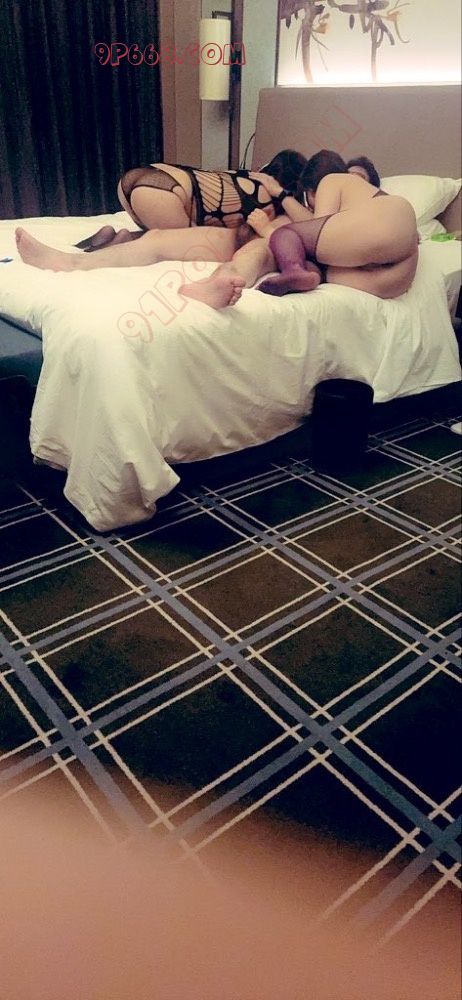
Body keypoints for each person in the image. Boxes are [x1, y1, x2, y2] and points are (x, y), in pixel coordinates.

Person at [253, 149, 419, 299]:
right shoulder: (366, 199)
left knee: (286, 234)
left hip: (387, 225)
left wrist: (269, 231)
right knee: (326, 272)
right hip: (403, 264)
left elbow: (317, 232)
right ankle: (302, 275)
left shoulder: (331, 180)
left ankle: (293, 270)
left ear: (311, 191)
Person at [75, 150, 309, 251]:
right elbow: (306, 225)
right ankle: (121, 243)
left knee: (161, 235)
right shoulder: (270, 201)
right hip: (162, 194)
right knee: (180, 246)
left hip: (140, 177)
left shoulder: (246, 173)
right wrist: (284, 196)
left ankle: (124, 237)